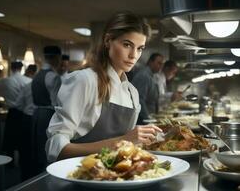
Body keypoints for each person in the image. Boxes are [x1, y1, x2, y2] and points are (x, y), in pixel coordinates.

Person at [46, 11, 162, 162]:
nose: (134, 55)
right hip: (79, 175)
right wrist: (122, 142)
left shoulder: (132, 93)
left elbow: (124, 150)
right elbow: (56, 149)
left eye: (140, 48)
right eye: (127, 45)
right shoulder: (84, 80)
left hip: (116, 177)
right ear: (108, 41)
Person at [31, 45, 62, 173]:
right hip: (48, 114)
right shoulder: (52, 76)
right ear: (57, 58)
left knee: (37, 146)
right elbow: (56, 102)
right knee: (46, 147)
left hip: (36, 113)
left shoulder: (37, 74)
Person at [131, 53, 164, 123]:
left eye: (161, 64)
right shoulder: (144, 76)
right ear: (150, 62)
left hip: (148, 117)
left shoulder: (151, 75)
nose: (160, 66)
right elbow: (139, 100)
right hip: (142, 119)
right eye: (159, 63)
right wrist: (148, 119)